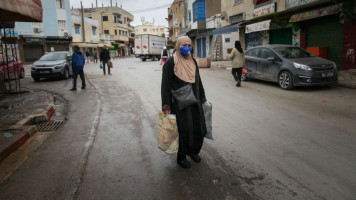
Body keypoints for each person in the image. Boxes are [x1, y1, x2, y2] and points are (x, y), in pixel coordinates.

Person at [161, 36, 207, 169]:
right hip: (180, 104)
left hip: (195, 101)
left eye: (189, 44)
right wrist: (166, 105)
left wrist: (203, 98)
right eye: (183, 44)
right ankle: (181, 156)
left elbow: (198, 80)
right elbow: (166, 85)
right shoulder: (170, 63)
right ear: (178, 46)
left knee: (198, 128)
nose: (187, 47)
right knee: (183, 130)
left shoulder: (193, 61)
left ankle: (193, 151)